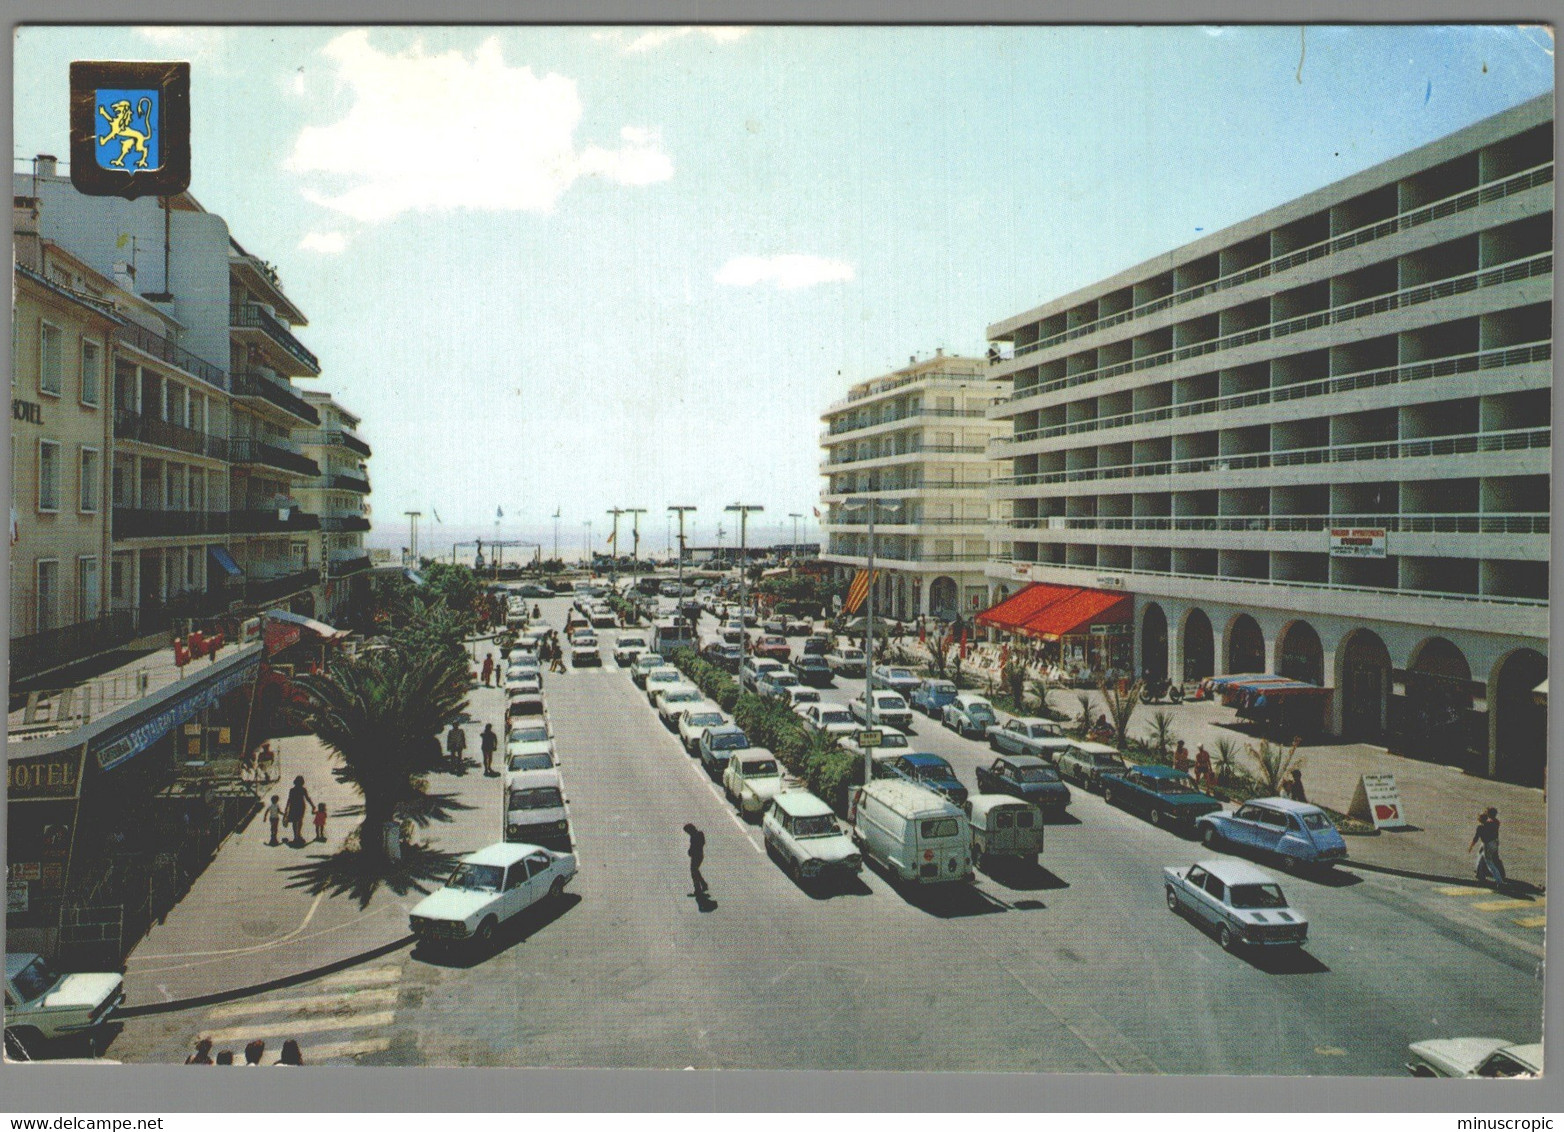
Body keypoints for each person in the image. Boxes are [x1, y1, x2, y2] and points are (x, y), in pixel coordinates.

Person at [1470, 807, 1506, 886]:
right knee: (1482, 856)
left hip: (1487, 844)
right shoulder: (1495, 822)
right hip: (1494, 842)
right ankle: (1479, 873)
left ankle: (1499, 880)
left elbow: (1476, 838)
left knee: (1489, 861)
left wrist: (1471, 847)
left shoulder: (1482, 827)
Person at [284, 777, 313, 844]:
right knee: (299, 820)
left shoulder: (292, 790)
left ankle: (295, 836)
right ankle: (299, 835)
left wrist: (287, 807)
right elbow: (307, 798)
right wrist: (312, 805)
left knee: (294, 821)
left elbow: (289, 799)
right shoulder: (303, 789)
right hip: (300, 806)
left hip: (293, 806)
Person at [683, 823, 708, 898]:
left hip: (696, 856)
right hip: (699, 855)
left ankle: (698, 889)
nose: (687, 833)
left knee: (694, 872)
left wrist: (692, 850)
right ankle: (703, 885)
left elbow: (695, 845)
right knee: (695, 870)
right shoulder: (699, 834)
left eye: (687, 831)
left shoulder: (695, 835)